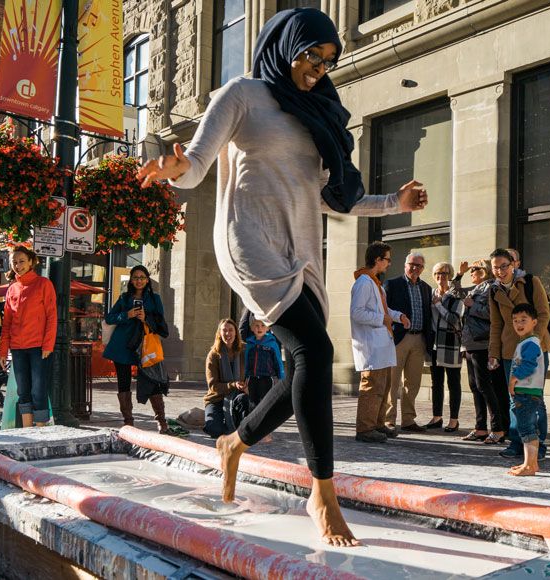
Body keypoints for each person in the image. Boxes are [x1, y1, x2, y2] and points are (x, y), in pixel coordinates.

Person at [136, 7, 427, 546]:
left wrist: (396, 202)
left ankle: (234, 444)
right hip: (249, 240)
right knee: (315, 352)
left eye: (328, 60)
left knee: (303, 365)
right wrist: (176, 169)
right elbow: (198, 162)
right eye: (310, 55)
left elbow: (334, 195)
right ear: (283, 46)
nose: (318, 68)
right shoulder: (242, 95)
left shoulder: (316, 110)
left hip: (301, 245)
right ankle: (323, 492)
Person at [488, 248, 550, 460]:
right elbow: (496, 324)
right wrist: (493, 353)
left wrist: (533, 339)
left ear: (513, 264)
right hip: (509, 351)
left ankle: (538, 446)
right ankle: (517, 443)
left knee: (535, 399)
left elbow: (543, 313)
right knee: (513, 398)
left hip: (534, 348)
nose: (500, 271)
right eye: (495, 267)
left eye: (504, 266)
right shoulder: (493, 290)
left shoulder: (531, 282)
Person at [350, 241, 408, 443]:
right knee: (372, 386)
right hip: (371, 345)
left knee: (383, 387)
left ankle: (378, 423)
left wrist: (399, 316)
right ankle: (365, 428)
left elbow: (384, 311)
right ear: (378, 259)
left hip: (382, 344)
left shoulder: (375, 284)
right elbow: (357, 313)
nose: (389, 264)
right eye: (387, 259)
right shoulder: (364, 283)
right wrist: (381, 319)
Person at [101, 265, 168, 429]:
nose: (139, 280)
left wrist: (146, 318)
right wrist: (127, 315)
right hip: (122, 346)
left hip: (145, 345)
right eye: (136, 277)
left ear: (147, 280)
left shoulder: (155, 298)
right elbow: (109, 318)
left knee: (152, 380)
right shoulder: (124, 298)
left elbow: (161, 323)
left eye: (142, 277)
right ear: (131, 280)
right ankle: (128, 421)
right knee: (123, 382)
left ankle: (161, 421)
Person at [0, 247, 56, 428]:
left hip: (39, 347)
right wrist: (2, 352)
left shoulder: (43, 284)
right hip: (17, 348)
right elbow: (7, 322)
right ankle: (27, 430)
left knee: (38, 391)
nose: (17, 265)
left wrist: (48, 345)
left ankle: (41, 432)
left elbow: (52, 316)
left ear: (31, 261)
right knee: (23, 391)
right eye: (14, 262)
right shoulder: (12, 289)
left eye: (21, 261)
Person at [383, 252, 434, 433]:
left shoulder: (427, 288)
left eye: (419, 266)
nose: (415, 268)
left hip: (419, 339)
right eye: (412, 264)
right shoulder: (392, 284)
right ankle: (388, 420)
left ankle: (408, 420)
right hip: (398, 339)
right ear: (405, 265)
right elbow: (384, 311)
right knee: (392, 381)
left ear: (422, 269)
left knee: (413, 383)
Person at [455, 260, 505, 443]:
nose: (472, 272)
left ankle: (498, 429)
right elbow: (456, 292)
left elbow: (493, 314)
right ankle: (480, 427)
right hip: (470, 343)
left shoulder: (491, 287)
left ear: (484, 271)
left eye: (474, 269)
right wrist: (459, 275)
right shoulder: (477, 288)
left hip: (483, 343)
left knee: (485, 386)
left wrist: (471, 306)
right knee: (475, 386)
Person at [507, 303, 546, 477]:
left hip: (527, 392)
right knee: (527, 427)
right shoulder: (526, 341)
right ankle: (529, 463)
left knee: (526, 428)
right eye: (515, 320)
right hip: (526, 391)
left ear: (534, 322)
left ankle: (530, 465)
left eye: (523, 319)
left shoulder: (530, 343)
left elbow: (528, 365)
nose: (519, 323)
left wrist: (514, 378)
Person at [426, 262, 464, 432]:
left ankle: (454, 420)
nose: (441, 277)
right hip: (434, 343)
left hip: (450, 343)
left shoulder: (456, 296)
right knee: (436, 382)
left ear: (450, 276)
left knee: (453, 382)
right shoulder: (430, 294)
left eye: (445, 273)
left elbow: (454, 319)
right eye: (438, 274)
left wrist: (439, 305)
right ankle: (437, 417)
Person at [203, 319, 250, 438]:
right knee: (214, 430)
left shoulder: (245, 350)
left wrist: (248, 386)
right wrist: (233, 385)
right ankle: (218, 419)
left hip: (238, 396)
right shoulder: (213, 355)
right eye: (224, 330)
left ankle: (236, 423)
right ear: (219, 333)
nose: (227, 334)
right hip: (216, 398)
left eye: (230, 330)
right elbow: (213, 386)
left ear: (236, 333)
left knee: (245, 402)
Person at [244, 315, 285, 430]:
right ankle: (253, 427)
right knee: (252, 401)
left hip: (266, 378)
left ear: (268, 328)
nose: (259, 328)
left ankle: (264, 427)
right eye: (256, 325)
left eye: (262, 325)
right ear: (252, 328)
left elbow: (278, 360)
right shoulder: (250, 344)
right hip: (252, 378)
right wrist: (246, 376)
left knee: (265, 402)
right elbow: (247, 361)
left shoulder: (272, 343)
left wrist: (281, 376)